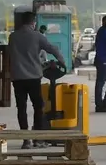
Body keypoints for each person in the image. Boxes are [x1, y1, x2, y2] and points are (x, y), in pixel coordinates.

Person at [7, 10, 67, 148]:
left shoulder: (13, 36)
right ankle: (38, 139)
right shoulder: (37, 36)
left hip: (18, 77)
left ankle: (25, 140)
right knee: (38, 107)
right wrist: (61, 61)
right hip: (33, 77)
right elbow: (53, 49)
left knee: (21, 108)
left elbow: (11, 54)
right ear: (33, 22)